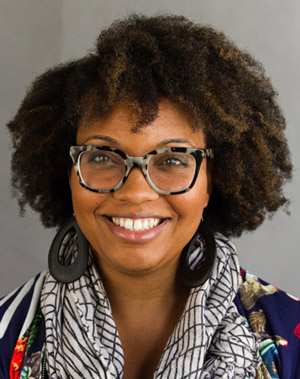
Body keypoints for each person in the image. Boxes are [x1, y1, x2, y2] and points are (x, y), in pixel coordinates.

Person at [0, 14, 299, 379]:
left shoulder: (292, 338)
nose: (136, 192)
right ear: (68, 173)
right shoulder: (6, 336)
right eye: (102, 157)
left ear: (211, 180)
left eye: (172, 159)